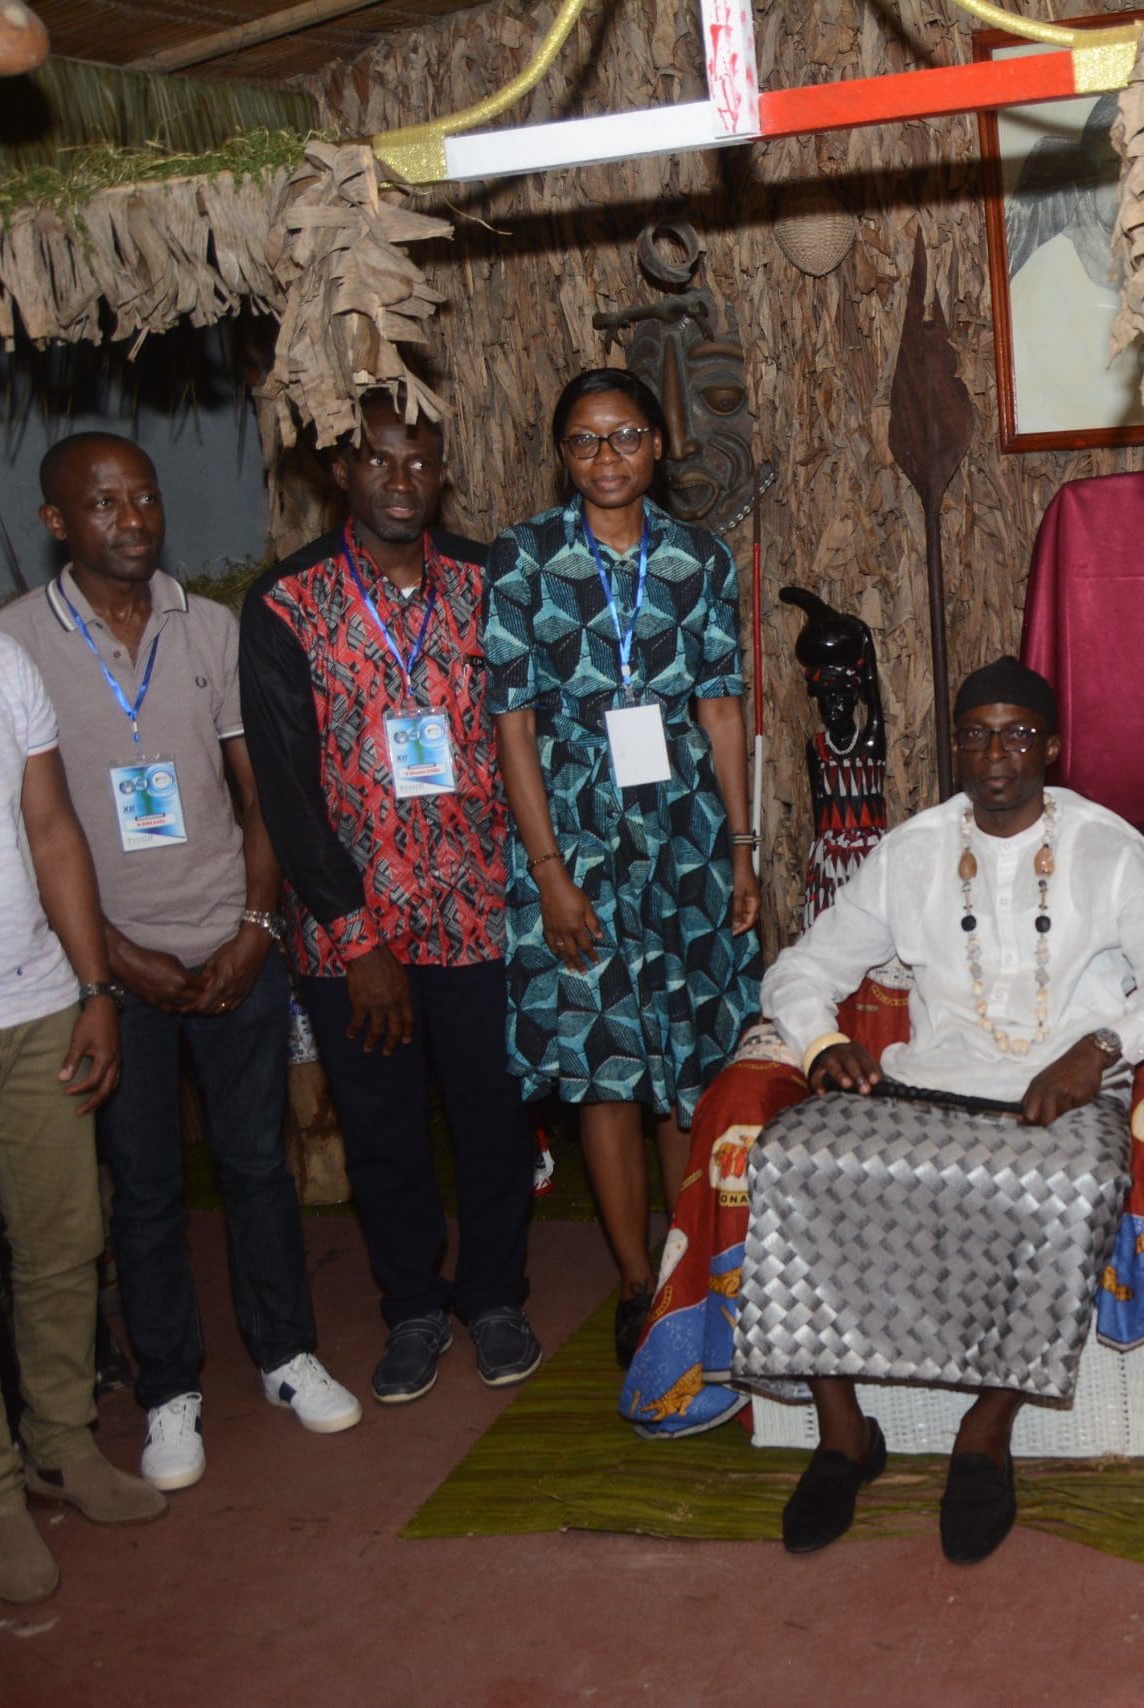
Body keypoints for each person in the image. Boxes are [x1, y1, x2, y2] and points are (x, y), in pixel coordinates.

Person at [753, 659, 1144, 1562]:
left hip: (1059, 1097)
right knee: (792, 1161)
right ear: (955, 746)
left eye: (1016, 735)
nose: (995, 755)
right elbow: (800, 968)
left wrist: (1101, 1050)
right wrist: (820, 1043)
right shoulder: (914, 849)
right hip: (926, 1084)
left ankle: (987, 1430)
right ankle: (842, 1431)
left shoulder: (1105, 845)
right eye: (975, 735)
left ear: (1051, 745)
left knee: (1074, 1181)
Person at [0, 434, 358, 1490]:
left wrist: (256, 925)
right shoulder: (13, 645)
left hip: (231, 949)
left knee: (256, 1165)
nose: (134, 516)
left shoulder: (212, 626)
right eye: (103, 502)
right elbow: (29, 833)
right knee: (145, 1186)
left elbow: (262, 790)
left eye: (145, 495)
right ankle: (169, 1391)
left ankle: (286, 1353)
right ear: (58, 521)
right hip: (107, 975)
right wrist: (109, 963)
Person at [243, 402, 541, 1402]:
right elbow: (284, 790)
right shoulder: (286, 604)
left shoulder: (492, 580)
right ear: (341, 471)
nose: (400, 476)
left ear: (442, 471)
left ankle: (495, 1295)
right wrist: (356, 937)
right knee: (381, 1129)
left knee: (494, 1115)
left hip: (481, 911)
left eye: (419, 459)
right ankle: (413, 1304)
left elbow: (529, 734)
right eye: (378, 458)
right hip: (355, 934)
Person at [0, 470, 161, 1605]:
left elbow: (54, 834)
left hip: (40, 1001)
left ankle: (64, 1443)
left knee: (65, 1244)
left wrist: (95, 986)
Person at [485, 369, 763, 1366]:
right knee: (604, 1069)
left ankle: (692, 1266)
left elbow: (722, 708)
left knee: (689, 1064)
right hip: (578, 844)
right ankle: (636, 1281)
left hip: (685, 838)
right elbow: (511, 729)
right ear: (562, 455)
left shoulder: (698, 558)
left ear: (657, 446)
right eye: (586, 442)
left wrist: (740, 849)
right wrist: (551, 871)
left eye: (627, 436)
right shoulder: (524, 559)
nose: (607, 458)